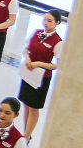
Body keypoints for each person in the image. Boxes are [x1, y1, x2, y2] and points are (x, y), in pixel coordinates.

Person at [18, 10, 64, 141]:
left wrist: (38, 63)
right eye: (45, 19)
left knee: (34, 107)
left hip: (41, 78)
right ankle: (26, 132)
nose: (46, 23)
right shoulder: (37, 33)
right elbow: (26, 48)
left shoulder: (58, 42)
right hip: (28, 73)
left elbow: (57, 65)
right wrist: (27, 58)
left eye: (49, 21)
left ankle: (26, 137)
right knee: (26, 104)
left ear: (57, 23)